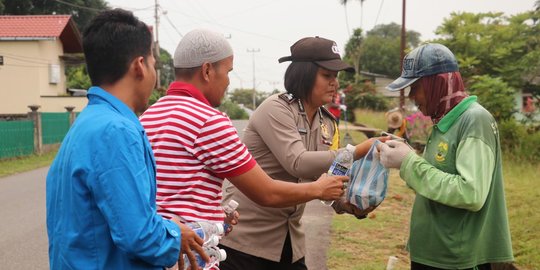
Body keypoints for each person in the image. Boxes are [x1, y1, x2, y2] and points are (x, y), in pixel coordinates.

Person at [139, 29, 348, 267]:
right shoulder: (210, 120)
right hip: (193, 257)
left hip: (157, 250)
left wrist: (214, 214)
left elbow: (170, 192)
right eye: (228, 72)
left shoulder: (148, 116)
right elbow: (267, 192)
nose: (228, 81)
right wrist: (320, 187)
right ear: (208, 71)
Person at [46, 9, 206, 270]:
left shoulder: (87, 124)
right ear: (139, 66)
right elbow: (141, 236)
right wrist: (177, 235)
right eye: (154, 65)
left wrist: (166, 225)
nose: (155, 75)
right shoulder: (116, 131)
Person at [218, 36, 379, 270]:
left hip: (289, 243)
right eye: (327, 75)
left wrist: (345, 204)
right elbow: (299, 163)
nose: (334, 83)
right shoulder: (276, 108)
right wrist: (356, 151)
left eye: (336, 76)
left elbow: (321, 176)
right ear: (304, 74)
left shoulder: (327, 122)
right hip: (245, 241)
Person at [378, 43, 513, 269]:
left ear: (437, 83)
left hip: (456, 260)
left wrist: (409, 162)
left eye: (416, 87)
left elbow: (470, 193)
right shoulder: (444, 122)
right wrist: (408, 157)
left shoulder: (474, 120)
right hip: (433, 255)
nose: (412, 97)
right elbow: (437, 180)